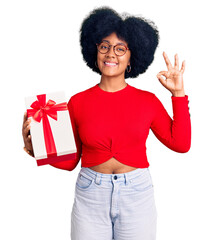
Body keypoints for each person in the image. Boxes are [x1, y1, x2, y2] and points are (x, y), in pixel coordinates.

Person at [22, 6, 191, 240]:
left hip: (136, 194)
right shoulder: (78, 102)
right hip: (90, 195)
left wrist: (179, 94)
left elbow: (181, 144)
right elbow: (71, 162)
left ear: (133, 56)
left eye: (120, 48)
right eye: (104, 46)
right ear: (95, 51)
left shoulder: (148, 101)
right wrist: (36, 149)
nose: (111, 54)